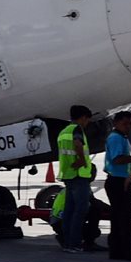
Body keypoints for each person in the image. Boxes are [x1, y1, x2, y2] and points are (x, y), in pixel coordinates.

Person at [103, 111, 131, 261]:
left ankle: (116, 250)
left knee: (118, 218)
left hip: (118, 180)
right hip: (118, 181)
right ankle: (130, 251)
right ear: (116, 123)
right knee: (126, 219)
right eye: (125, 124)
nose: (128, 127)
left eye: (130, 124)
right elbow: (117, 159)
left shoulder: (120, 137)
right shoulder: (116, 138)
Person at [56, 105, 95, 253]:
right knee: (81, 209)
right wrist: (82, 160)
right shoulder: (77, 130)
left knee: (69, 210)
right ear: (83, 117)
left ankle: (67, 242)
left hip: (68, 174)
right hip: (79, 175)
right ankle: (75, 243)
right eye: (87, 120)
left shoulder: (63, 132)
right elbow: (78, 144)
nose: (87, 123)